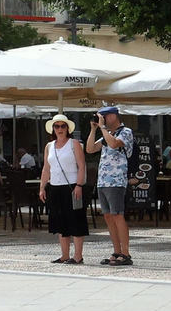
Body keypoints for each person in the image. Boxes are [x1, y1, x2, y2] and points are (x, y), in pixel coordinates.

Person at [87, 106, 135, 266]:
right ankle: (117, 251)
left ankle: (126, 253)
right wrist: (94, 130)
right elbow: (90, 148)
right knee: (108, 216)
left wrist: (102, 128)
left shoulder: (125, 132)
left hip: (116, 181)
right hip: (103, 180)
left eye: (103, 117)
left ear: (113, 117)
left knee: (117, 215)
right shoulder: (107, 135)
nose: (102, 120)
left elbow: (114, 144)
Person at [40, 114, 88, 264]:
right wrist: (42, 187)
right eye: (57, 126)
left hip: (72, 186)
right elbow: (46, 169)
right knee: (60, 221)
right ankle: (64, 254)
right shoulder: (49, 146)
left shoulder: (74, 144)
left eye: (63, 126)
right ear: (53, 129)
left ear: (67, 128)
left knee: (76, 220)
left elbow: (81, 165)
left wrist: (79, 185)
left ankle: (78, 255)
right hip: (55, 187)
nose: (60, 129)